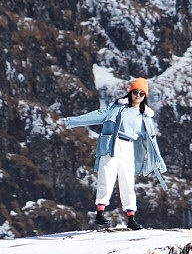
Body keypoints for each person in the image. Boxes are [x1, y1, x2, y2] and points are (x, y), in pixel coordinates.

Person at [62, 78, 167, 230]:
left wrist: (157, 162)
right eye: (135, 92)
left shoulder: (145, 117)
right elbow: (99, 115)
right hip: (112, 144)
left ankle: (131, 218)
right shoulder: (119, 108)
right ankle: (100, 214)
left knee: (127, 181)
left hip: (128, 147)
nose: (138, 96)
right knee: (106, 177)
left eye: (141, 94)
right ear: (130, 92)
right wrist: (72, 122)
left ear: (145, 97)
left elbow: (151, 141)